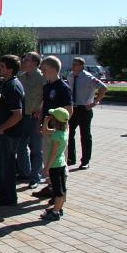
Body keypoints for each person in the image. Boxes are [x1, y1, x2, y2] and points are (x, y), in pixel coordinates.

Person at [32, 56, 73, 199]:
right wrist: (42, 122)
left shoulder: (63, 87)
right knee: (48, 159)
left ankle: (60, 192)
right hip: (47, 129)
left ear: (54, 69)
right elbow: (45, 105)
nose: (42, 72)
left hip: (58, 130)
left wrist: (58, 128)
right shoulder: (47, 86)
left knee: (59, 161)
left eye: (44, 70)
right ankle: (51, 187)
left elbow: (69, 110)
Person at [0, 55, 24, 206]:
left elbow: (18, 114)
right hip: (6, 133)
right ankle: (1, 191)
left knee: (8, 165)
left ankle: (9, 197)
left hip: (10, 134)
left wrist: (3, 127)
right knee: (1, 163)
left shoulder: (13, 86)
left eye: (2, 66)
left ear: (10, 69)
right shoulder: (9, 84)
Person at [66, 57, 107, 170]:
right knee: (69, 134)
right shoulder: (70, 76)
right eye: (73, 64)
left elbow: (103, 88)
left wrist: (95, 102)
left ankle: (85, 161)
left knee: (85, 136)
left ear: (81, 66)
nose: (73, 66)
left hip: (85, 109)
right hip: (73, 109)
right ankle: (70, 158)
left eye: (75, 64)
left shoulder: (88, 77)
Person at [16, 52, 46, 190]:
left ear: (34, 63)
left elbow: (48, 96)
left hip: (35, 119)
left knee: (36, 149)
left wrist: (41, 108)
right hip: (22, 118)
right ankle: (25, 173)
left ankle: (35, 177)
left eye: (26, 60)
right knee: (20, 147)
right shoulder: (20, 77)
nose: (23, 61)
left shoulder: (42, 78)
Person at [40, 107, 70, 221]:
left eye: (52, 117)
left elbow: (53, 154)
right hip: (61, 164)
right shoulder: (63, 131)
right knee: (62, 189)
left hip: (55, 166)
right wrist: (46, 121)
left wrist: (47, 168)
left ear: (55, 121)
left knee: (58, 191)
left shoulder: (57, 136)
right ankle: (59, 208)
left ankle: (55, 212)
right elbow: (45, 131)